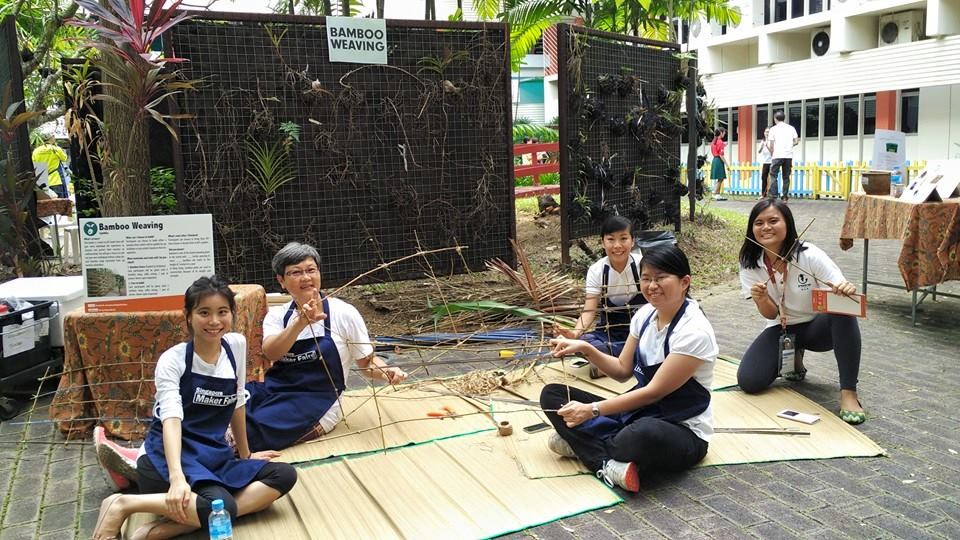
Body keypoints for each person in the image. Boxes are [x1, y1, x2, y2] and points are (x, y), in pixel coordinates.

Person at [92, 276, 297, 540]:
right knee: (218, 503)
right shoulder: (173, 360)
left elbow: (237, 401)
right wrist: (177, 478)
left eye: (222, 312)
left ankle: (169, 527)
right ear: (188, 316)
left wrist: (246, 455)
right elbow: (171, 419)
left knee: (283, 474)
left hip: (213, 455)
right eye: (204, 313)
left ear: (232, 314)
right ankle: (123, 504)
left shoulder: (236, 346)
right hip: (167, 458)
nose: (214, 321)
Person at [542, 245, 717, 492]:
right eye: (646, 278)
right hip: (638, 413)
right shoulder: (644, 316)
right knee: (552, 395)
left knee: (642, 434)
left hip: (681, 429)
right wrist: (585, 348)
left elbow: (653, 393)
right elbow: (622, 370)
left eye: (661, 278)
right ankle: (609, 456)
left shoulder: (694, 331)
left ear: (684, 282)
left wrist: (592, 410)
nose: (652, 286)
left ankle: (592, 454)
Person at [243, 242, 408, 451]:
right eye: (296, 272)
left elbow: (367, 364)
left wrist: (386, 371)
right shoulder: (278, 315)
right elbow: (271, 352)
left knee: (251, 431)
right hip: (275, 389)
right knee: (226, 406)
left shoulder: (344, 313)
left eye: (311, 270)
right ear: (281, 281)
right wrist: (300, 323)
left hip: (317, 401)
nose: (306, 277)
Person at [737, 199, 866, 424]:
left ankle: (849, 393)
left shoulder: (809, 254)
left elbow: (839, 285)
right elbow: (770, 315)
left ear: (787, 224)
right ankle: (793, 354)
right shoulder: (750, 262)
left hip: (817, 328)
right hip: (782, 328)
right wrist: (761, 299)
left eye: (773, 221)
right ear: (752, 229)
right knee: (749, 381)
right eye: (759, 223)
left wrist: (844, 288)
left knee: (842, 308)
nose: (766, 227)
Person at [556, 216, 645, 360]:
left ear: (633, 241)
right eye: (611, 239)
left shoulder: (644, 265)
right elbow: (589, 311)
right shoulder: (596, 270)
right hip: (609, 333)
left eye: (623, 238)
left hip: (643, 332)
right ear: (603, 242)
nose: (617, 245)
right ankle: (623, 359)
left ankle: (614, 362)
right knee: (584, 344)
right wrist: (575, 333)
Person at [767, 111, 799, 201]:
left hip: (777, 155)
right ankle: (784, 196)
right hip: (788, 155)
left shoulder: (773, 129)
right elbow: (796, 141)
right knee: (786, 176)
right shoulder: (791, 128)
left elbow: (771, 145)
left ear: (775, 119)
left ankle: (774, 196)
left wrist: (772, 153)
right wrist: (789, 146)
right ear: (784, 118)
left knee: (773, 175)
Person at [710, 128, 728, 201]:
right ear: (721, 133)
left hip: (715, 159)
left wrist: (724, 145)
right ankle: (715, 193)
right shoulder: (720, 142)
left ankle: (717, 194)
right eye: (724, 133)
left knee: (720, 178)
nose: (724, 134)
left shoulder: (714, 141)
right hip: (719, 160)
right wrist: (727, 164)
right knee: (720, 178)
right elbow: (721, 155)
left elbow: (717, 148)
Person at [757, 126, 773, 198]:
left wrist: (767, 146)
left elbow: (773, 153)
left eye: (768, 132)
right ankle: (763, 194)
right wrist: (762, 146)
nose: (767, 133)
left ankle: (772, 194)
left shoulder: (772, 141)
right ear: (764, 133)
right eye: (766, 132)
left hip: (772, 162)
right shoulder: (762, 141)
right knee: (764, 177)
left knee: (773, 178)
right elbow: (759, 151)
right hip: (765, 162)